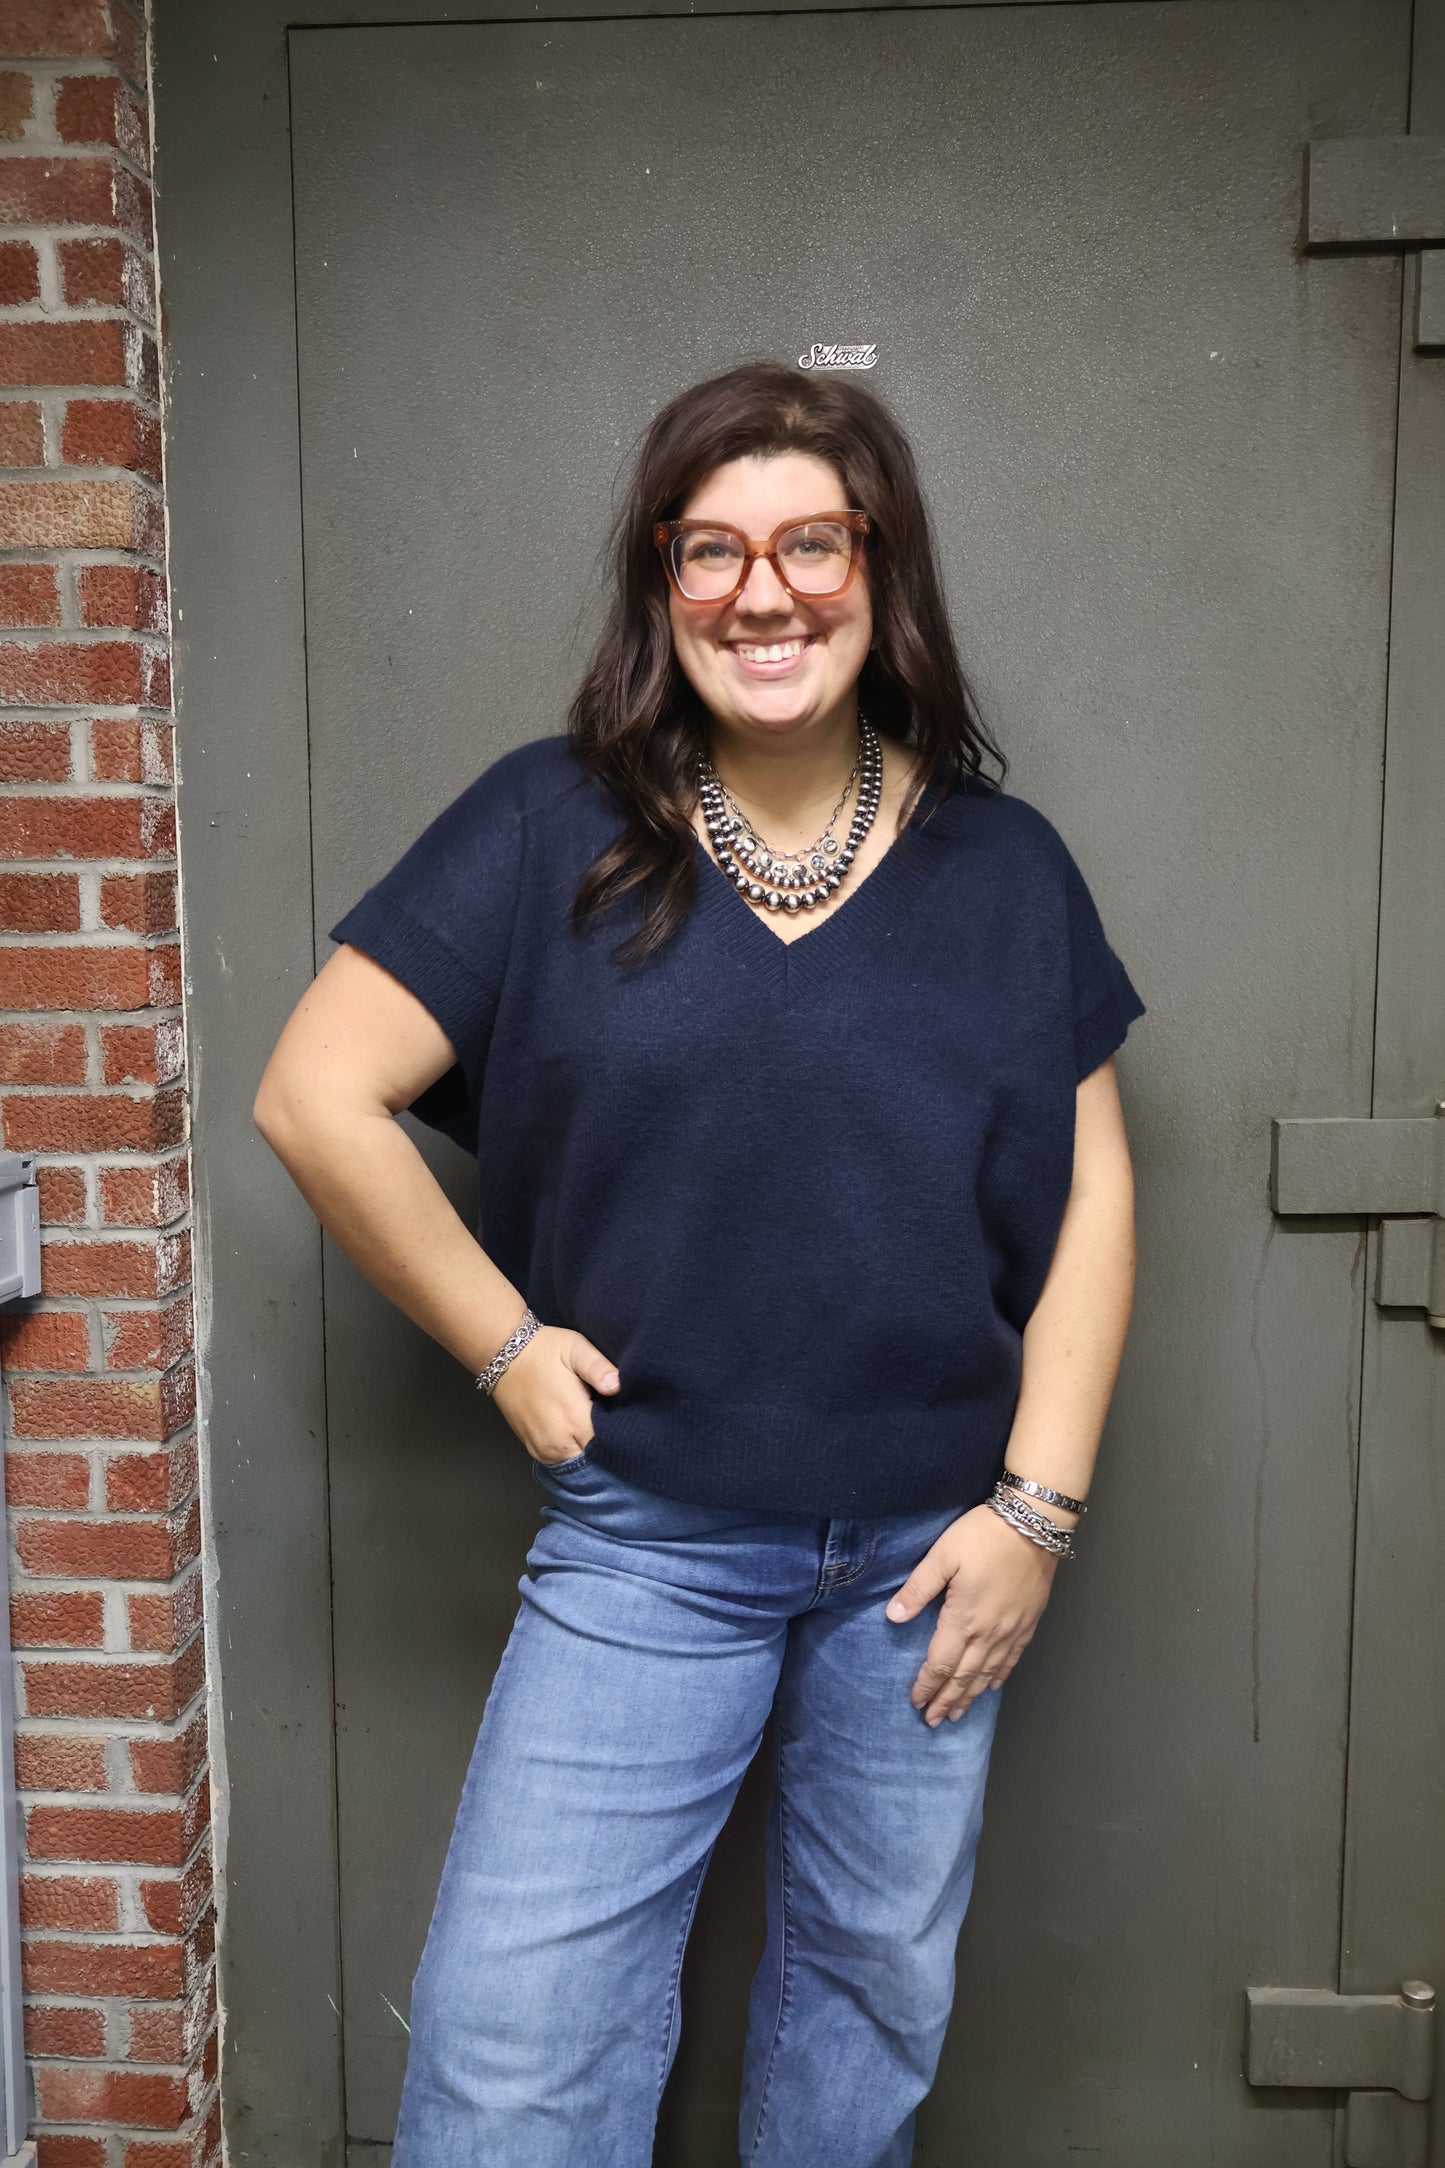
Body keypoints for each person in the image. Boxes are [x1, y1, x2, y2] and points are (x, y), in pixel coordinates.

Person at [253, 359, 1145, 2168]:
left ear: (878, 569)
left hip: (925, 1561)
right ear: (662, 584)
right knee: (515, 2055)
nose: (764, 591)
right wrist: (508, 1347)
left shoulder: (1004, 868)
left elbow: (1095, 1208)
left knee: (866, 2019)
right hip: (649, 1542)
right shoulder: (542, 827)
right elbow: (314, 1094)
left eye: (811, 542)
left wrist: (1033, 1518)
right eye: (709, 550)